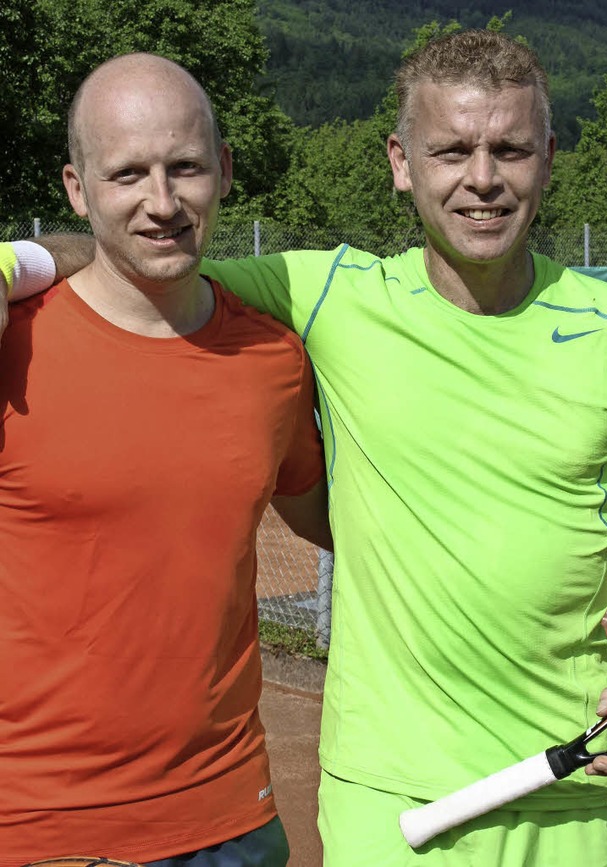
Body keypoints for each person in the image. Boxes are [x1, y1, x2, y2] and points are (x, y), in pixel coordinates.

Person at [4, 29, 607, 867]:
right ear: (400, 161)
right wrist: (22, 258)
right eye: (450, 149)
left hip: (556, 782)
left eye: (510, 149)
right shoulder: (330, 295)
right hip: (370, 795)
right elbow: (140, 262)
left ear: (549, 158)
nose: (481, 178)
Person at [0, 53, 332, 867]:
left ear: (222, 170)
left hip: (231, 824)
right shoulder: (15, 341)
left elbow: (346, 524)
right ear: (78, 189)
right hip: (38, 829)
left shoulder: (274, 358)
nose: (161, 202)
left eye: (184, 167)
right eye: (127, 175)